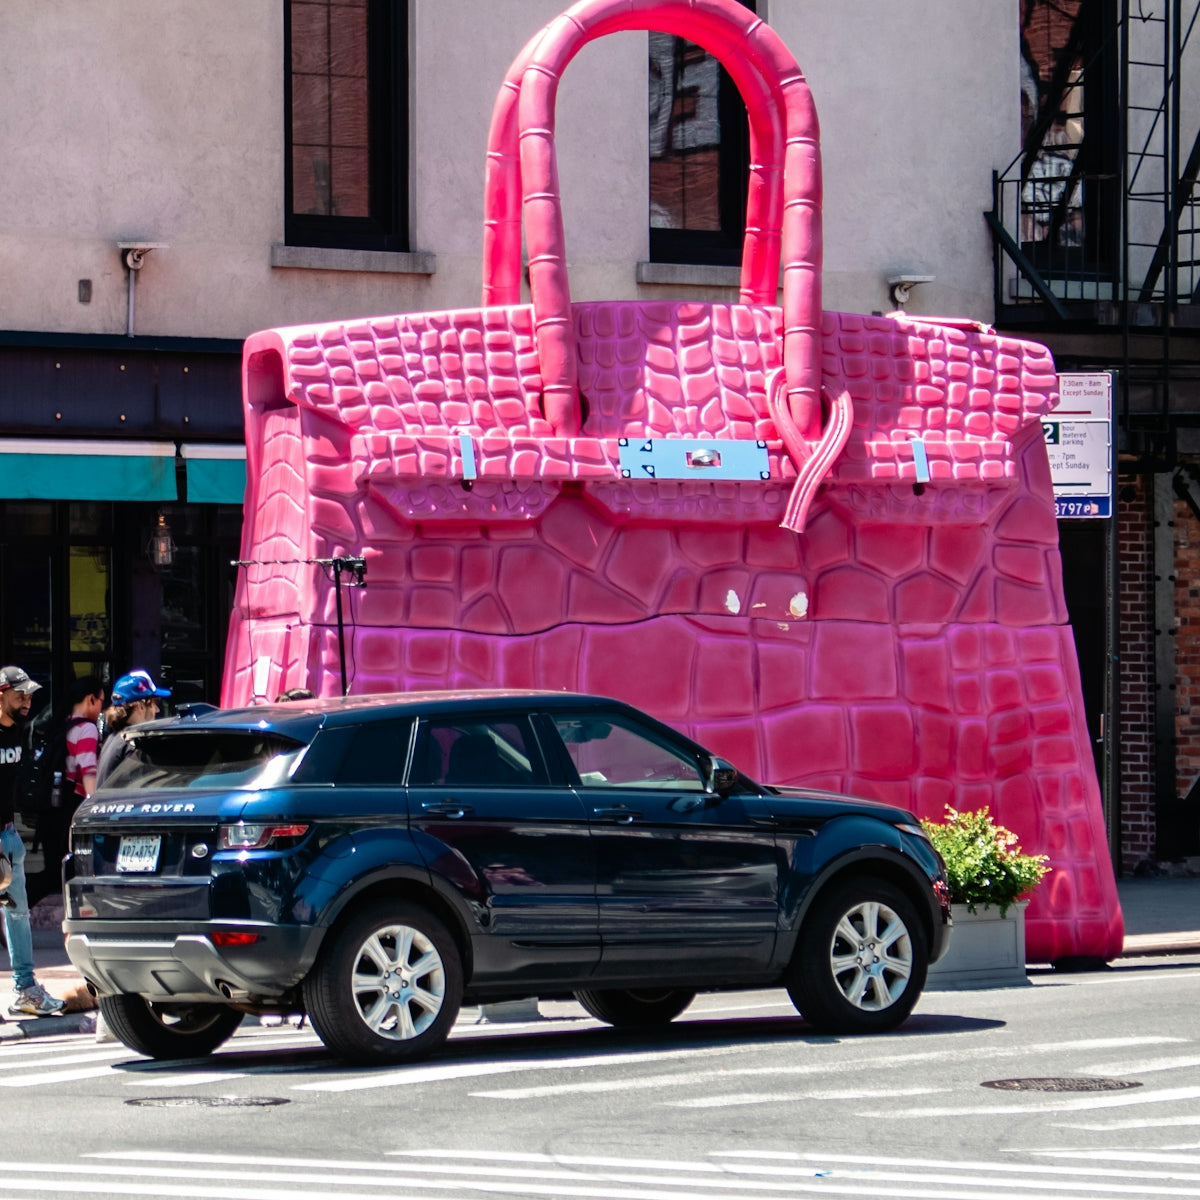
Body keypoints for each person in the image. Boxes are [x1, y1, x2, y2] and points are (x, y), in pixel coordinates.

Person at [0, 665, 66, 1017]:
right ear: (1, 693)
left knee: (18, 914)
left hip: (9, 836)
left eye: (29, 694)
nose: (27, 700)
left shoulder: (20, 732)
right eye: (19, 693)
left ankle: (25, 989)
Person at [95, 669, 171, 788]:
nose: (157, 710)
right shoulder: (133, 745)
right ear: (140, 706)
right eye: (154, 704)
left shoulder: (114, 739)